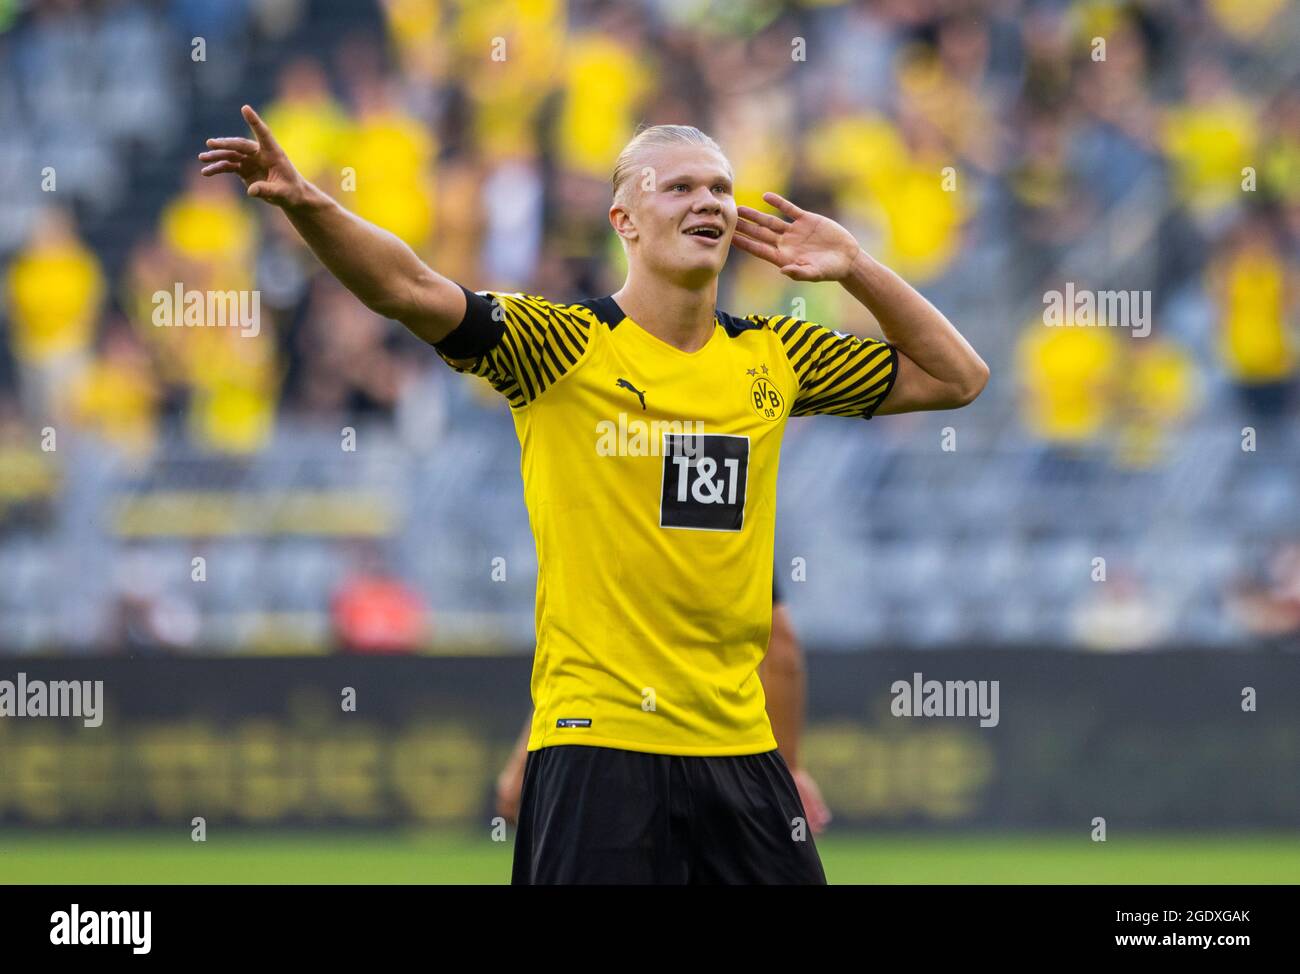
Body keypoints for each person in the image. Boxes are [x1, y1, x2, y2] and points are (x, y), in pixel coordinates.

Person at [200, 111, 988, 884]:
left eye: (720, 187)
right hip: (597, 748)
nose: (707, 201)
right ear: (626, 220)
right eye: (678, 187)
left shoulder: (776, 354)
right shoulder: (561, 347)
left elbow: (958, 377)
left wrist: (856, 266)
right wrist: (309, 203)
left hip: (739, 753)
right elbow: (408, 287)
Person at [495, 580, 832, 834]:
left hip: (603, 751)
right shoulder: (726, 529)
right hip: (726, 753)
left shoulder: (602, 530)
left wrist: (523, 761)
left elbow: (577, 663)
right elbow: (782, 648)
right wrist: (788, 769)